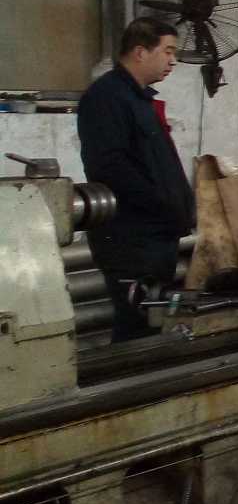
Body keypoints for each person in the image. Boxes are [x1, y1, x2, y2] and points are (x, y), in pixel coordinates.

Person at [77, 18, 193, 343]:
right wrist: (162, 204)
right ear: (141, 52)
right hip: (132, 239)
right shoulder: (106, 97)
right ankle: (131, 375)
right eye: (168, 51)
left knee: (152, 322)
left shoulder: (139, 100)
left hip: (155, 236)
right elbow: (110, 166)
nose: (173, 60)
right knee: (137, 327)